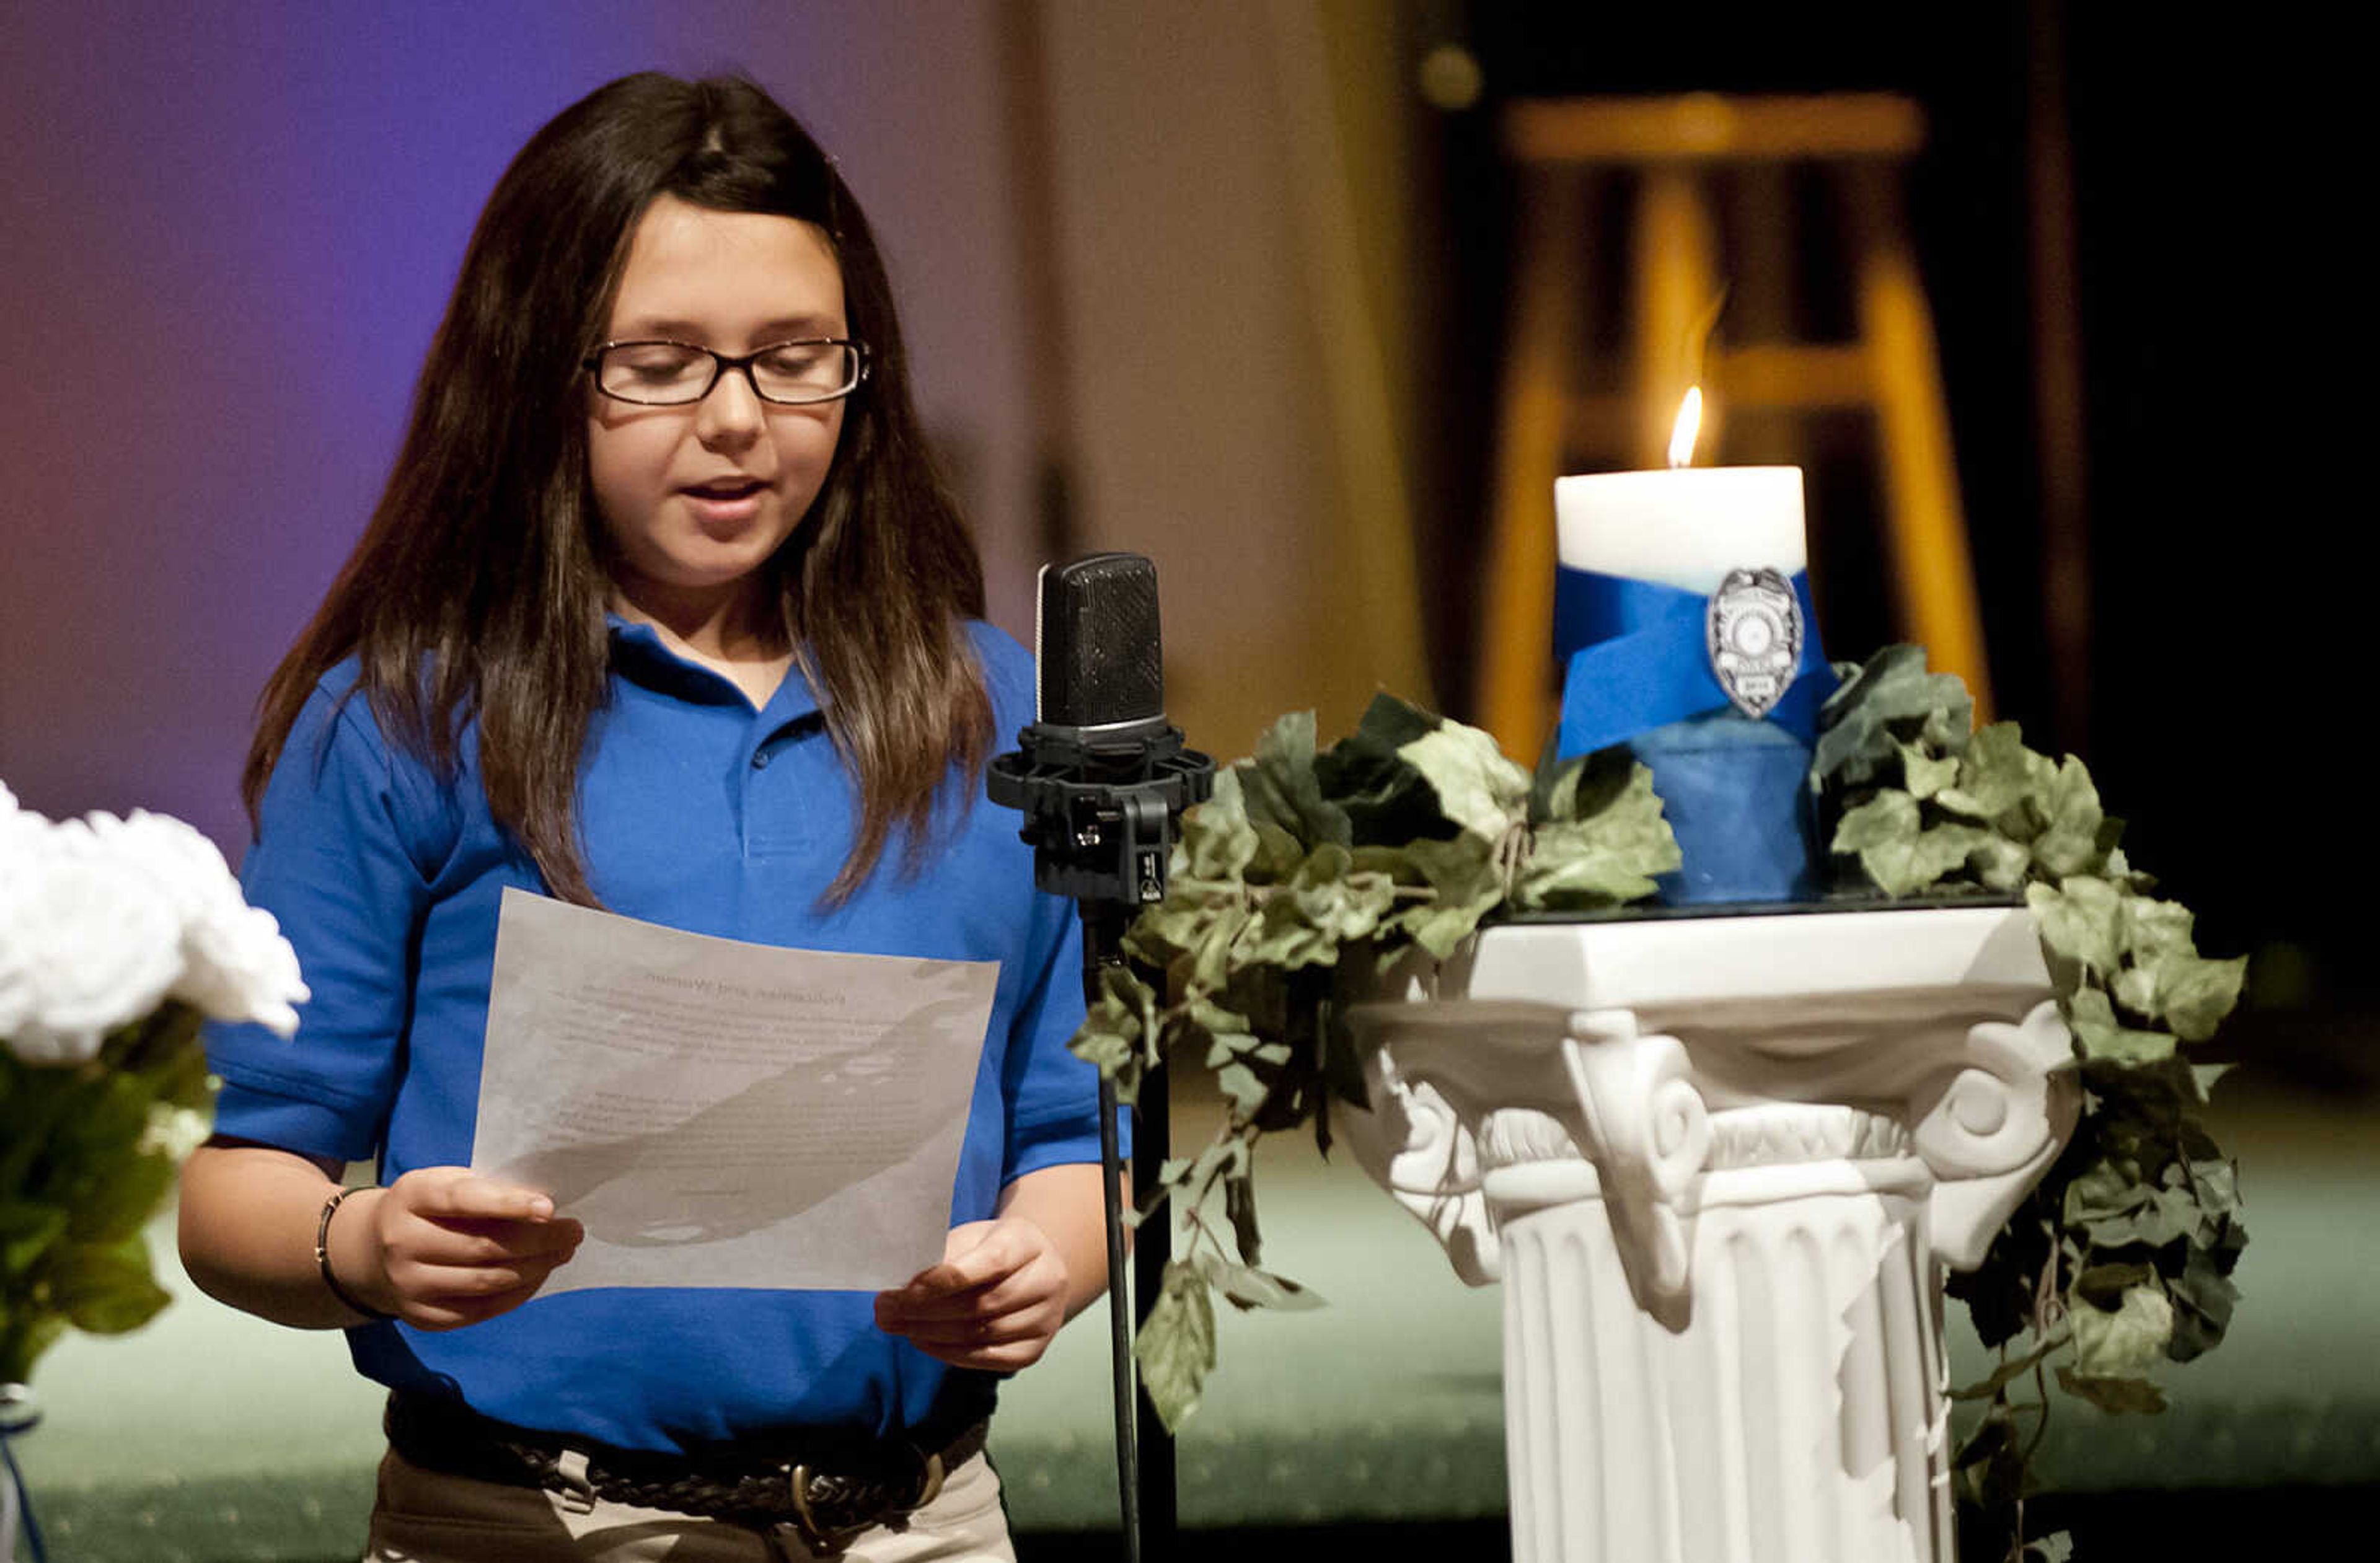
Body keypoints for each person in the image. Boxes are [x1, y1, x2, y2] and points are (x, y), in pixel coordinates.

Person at [178, 71, 1115, 1563]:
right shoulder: (410, 719)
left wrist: (1039, 1268)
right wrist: (362, 1246)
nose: (739, 421)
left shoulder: (989, 713)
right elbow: (240, 1180)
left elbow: (1077, 1134)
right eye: (664, 363)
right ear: (543, 373)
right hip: (526, 1523)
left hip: (924, 1521)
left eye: (796, 360)